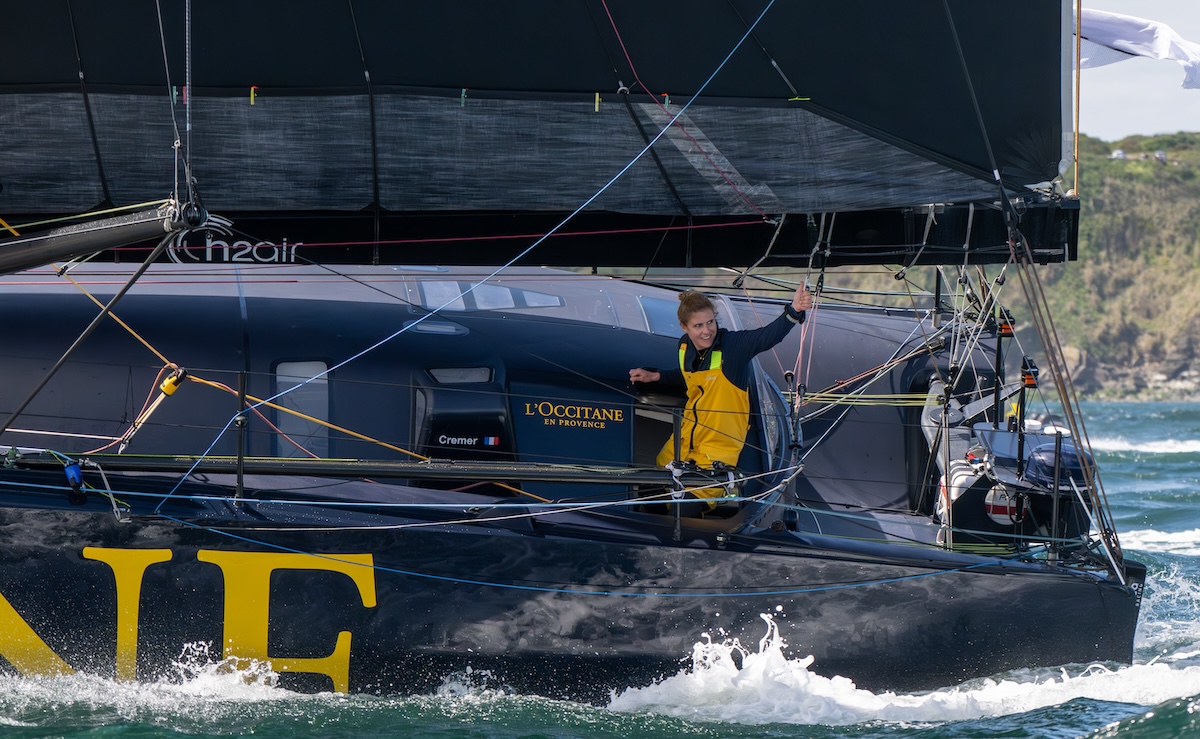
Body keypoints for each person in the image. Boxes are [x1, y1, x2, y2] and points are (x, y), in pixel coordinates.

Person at [629, 284, 812, 511]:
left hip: (716, 449)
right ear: (684, 327)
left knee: (687, 507)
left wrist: (793, 311)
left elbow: (766, 337)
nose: (707, 331)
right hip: (685, 438)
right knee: (653, 480)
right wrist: (656, 376)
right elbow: (691, 377)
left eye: (710, 322)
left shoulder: (733, 348)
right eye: (698, 326)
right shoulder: (684, 347)